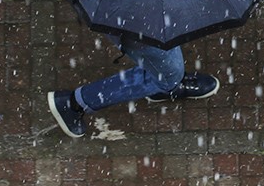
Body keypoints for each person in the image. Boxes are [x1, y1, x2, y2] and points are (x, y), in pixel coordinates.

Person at [47, 35, 220, 138]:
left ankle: (162, 82)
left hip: (139, 7)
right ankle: (75, 103)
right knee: (167, 70)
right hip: (139, 17)